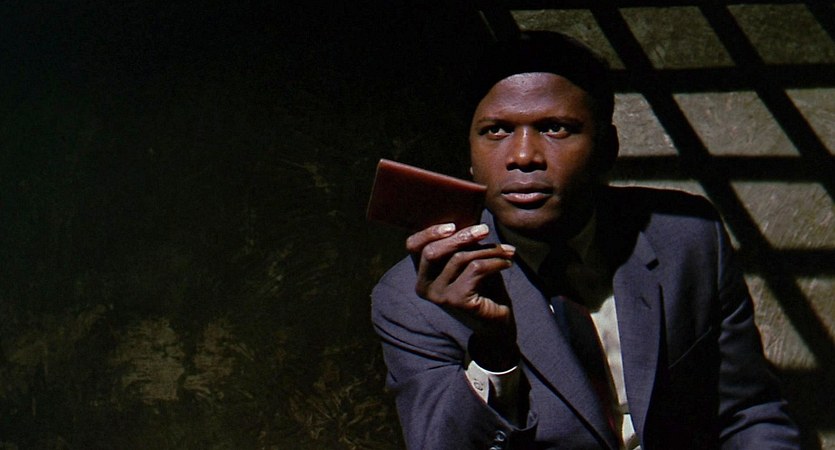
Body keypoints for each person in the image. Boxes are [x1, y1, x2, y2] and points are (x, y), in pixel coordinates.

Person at [371, 31, 800, 449]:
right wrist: (492, 354)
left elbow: (749, 411)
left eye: (556, 128)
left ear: (607, 148)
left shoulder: (687, 239)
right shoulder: (412, 298)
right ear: (469, 152)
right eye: (496, 130)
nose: (523, 156)